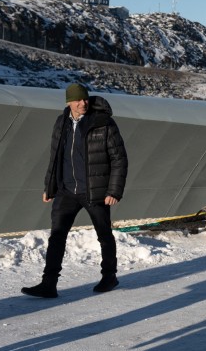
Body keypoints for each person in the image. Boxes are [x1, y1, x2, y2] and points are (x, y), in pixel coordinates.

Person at [23, 83, 128, 298]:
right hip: (66, 190)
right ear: (68, 102)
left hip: (94, 190)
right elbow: (55, 157)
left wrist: (114, 191)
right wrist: (50, 187)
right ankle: (48, 284)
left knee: (104, 234)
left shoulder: (103, 123)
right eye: (78, 100)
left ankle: (109, 276)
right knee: (57, 236)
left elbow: (119, 159)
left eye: (85, 99)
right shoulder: (61, 122)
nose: (83, 103)